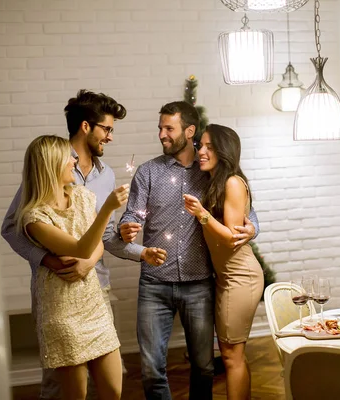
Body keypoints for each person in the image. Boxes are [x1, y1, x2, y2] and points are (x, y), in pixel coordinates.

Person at [1, 90, 167, 400]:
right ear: (86, 126)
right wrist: (45, 259)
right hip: (56, 293)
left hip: (97, 289)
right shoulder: (47, 168)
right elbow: (12, 226)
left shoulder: (106, 177)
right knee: (56, 386)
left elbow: (104, 238)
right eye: (107, 129)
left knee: (108, 382)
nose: (111, 138)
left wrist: (138, 250)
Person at [117, 101, 259, 400]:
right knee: (151, 369)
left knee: (204, 367)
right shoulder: (149, 172)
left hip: (199, 283)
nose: (161, 135)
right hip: (155, 284)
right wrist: (127, 226)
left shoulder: (210, 168)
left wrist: (254, 226)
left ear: (189, 131)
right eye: (160, 128)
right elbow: (132, 215)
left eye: (169, 128)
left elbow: (242, 205)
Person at [16, 134, 128, 399]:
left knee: (114, 390)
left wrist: (87, 262)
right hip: (62, 313)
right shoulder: (34, 217)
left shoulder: (83, 197)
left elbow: (96, 243)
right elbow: (80, 247)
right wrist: (108, 209)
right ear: (51, 164)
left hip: (94, 306)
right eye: (69, 157)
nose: (74, 161)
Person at [183, 124, 264, 400]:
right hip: (227, 277)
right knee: (232, 354)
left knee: (231, 355)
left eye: (209, 146)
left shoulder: (232, 182)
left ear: (224, 151)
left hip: (240, 276)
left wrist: (202, 214)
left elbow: (231, 238)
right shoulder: (217, 181)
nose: (201, 151)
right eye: (200, 146)